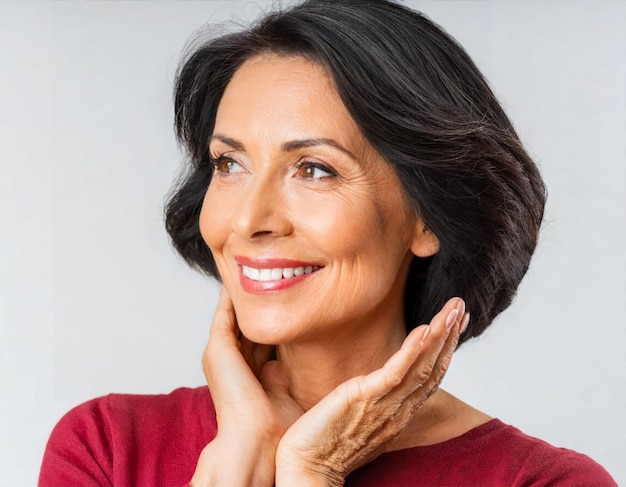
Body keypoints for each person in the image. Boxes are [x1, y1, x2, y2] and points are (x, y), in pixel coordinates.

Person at [39, 0, 617, 485]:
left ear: (429, 216)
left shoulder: (539, 482)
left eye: (314, 169)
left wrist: (313, 471)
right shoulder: (108, 449)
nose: (248, 219)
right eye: (229, 163)